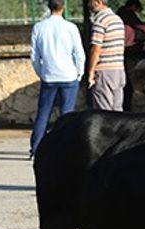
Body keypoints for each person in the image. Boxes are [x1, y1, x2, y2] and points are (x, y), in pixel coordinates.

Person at [29, 0, 85, 157]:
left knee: (43, 112)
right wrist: (79, 73)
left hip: (49, 75)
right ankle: (65, 149)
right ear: (64, 7)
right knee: (67, 114)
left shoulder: (39, 27)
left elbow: (34, 56)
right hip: (68, 75)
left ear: (49, 7)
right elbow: (79, 53)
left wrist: (42, 73)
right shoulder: (71, 27)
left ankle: (36, 148)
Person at [117, 0, 145, 112]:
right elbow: (141, 26)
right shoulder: (128, 14)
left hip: (122, 47)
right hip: (126, 49)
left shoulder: (120, 13)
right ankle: (127, 108)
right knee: (127, 86)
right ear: (133, 6)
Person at [87, 0, 126, 112]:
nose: (88, 4)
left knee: (103, 113)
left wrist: (91, 72)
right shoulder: (117, 20)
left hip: (104, 72)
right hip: (118, 70)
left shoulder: (100, 21)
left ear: (98, 1)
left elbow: (96, 49)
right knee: (117, 112)